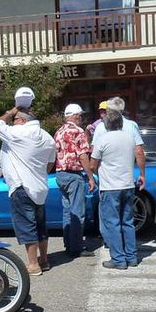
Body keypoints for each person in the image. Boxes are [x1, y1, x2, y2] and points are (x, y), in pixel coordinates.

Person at [0, 87, 56, 275]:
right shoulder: (47, 137)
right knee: (40, 225)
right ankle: (44, 260)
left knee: (27, 226)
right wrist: (37, 173)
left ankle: (33, 265)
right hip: (39, 187)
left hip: (22, 187)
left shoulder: (18, 134)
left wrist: (11, 110)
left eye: (16, 118)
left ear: (22, 121)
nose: (13, 120)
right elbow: (50, 163)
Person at [91, 109, 144, 270]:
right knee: (127, 221)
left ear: (106, 124)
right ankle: (131, 256)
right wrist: (142, 174)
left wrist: (99, 170)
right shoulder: (129, 138)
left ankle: (118, 259)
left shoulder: (102, 139)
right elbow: (139, 153)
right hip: (128, 184)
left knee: (112, 223)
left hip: (110, 186)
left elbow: (93, 165)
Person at [53, 103, 96, 258]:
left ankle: (68, 243)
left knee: (67, 211)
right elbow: (83, 156)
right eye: (81, 116)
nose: (81, 118)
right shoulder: (77, 131)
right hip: (73, 175)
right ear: (76, 116)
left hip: (60, 174)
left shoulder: (59, 132)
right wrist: (91, 177)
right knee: (78, 212)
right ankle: (76, 247)